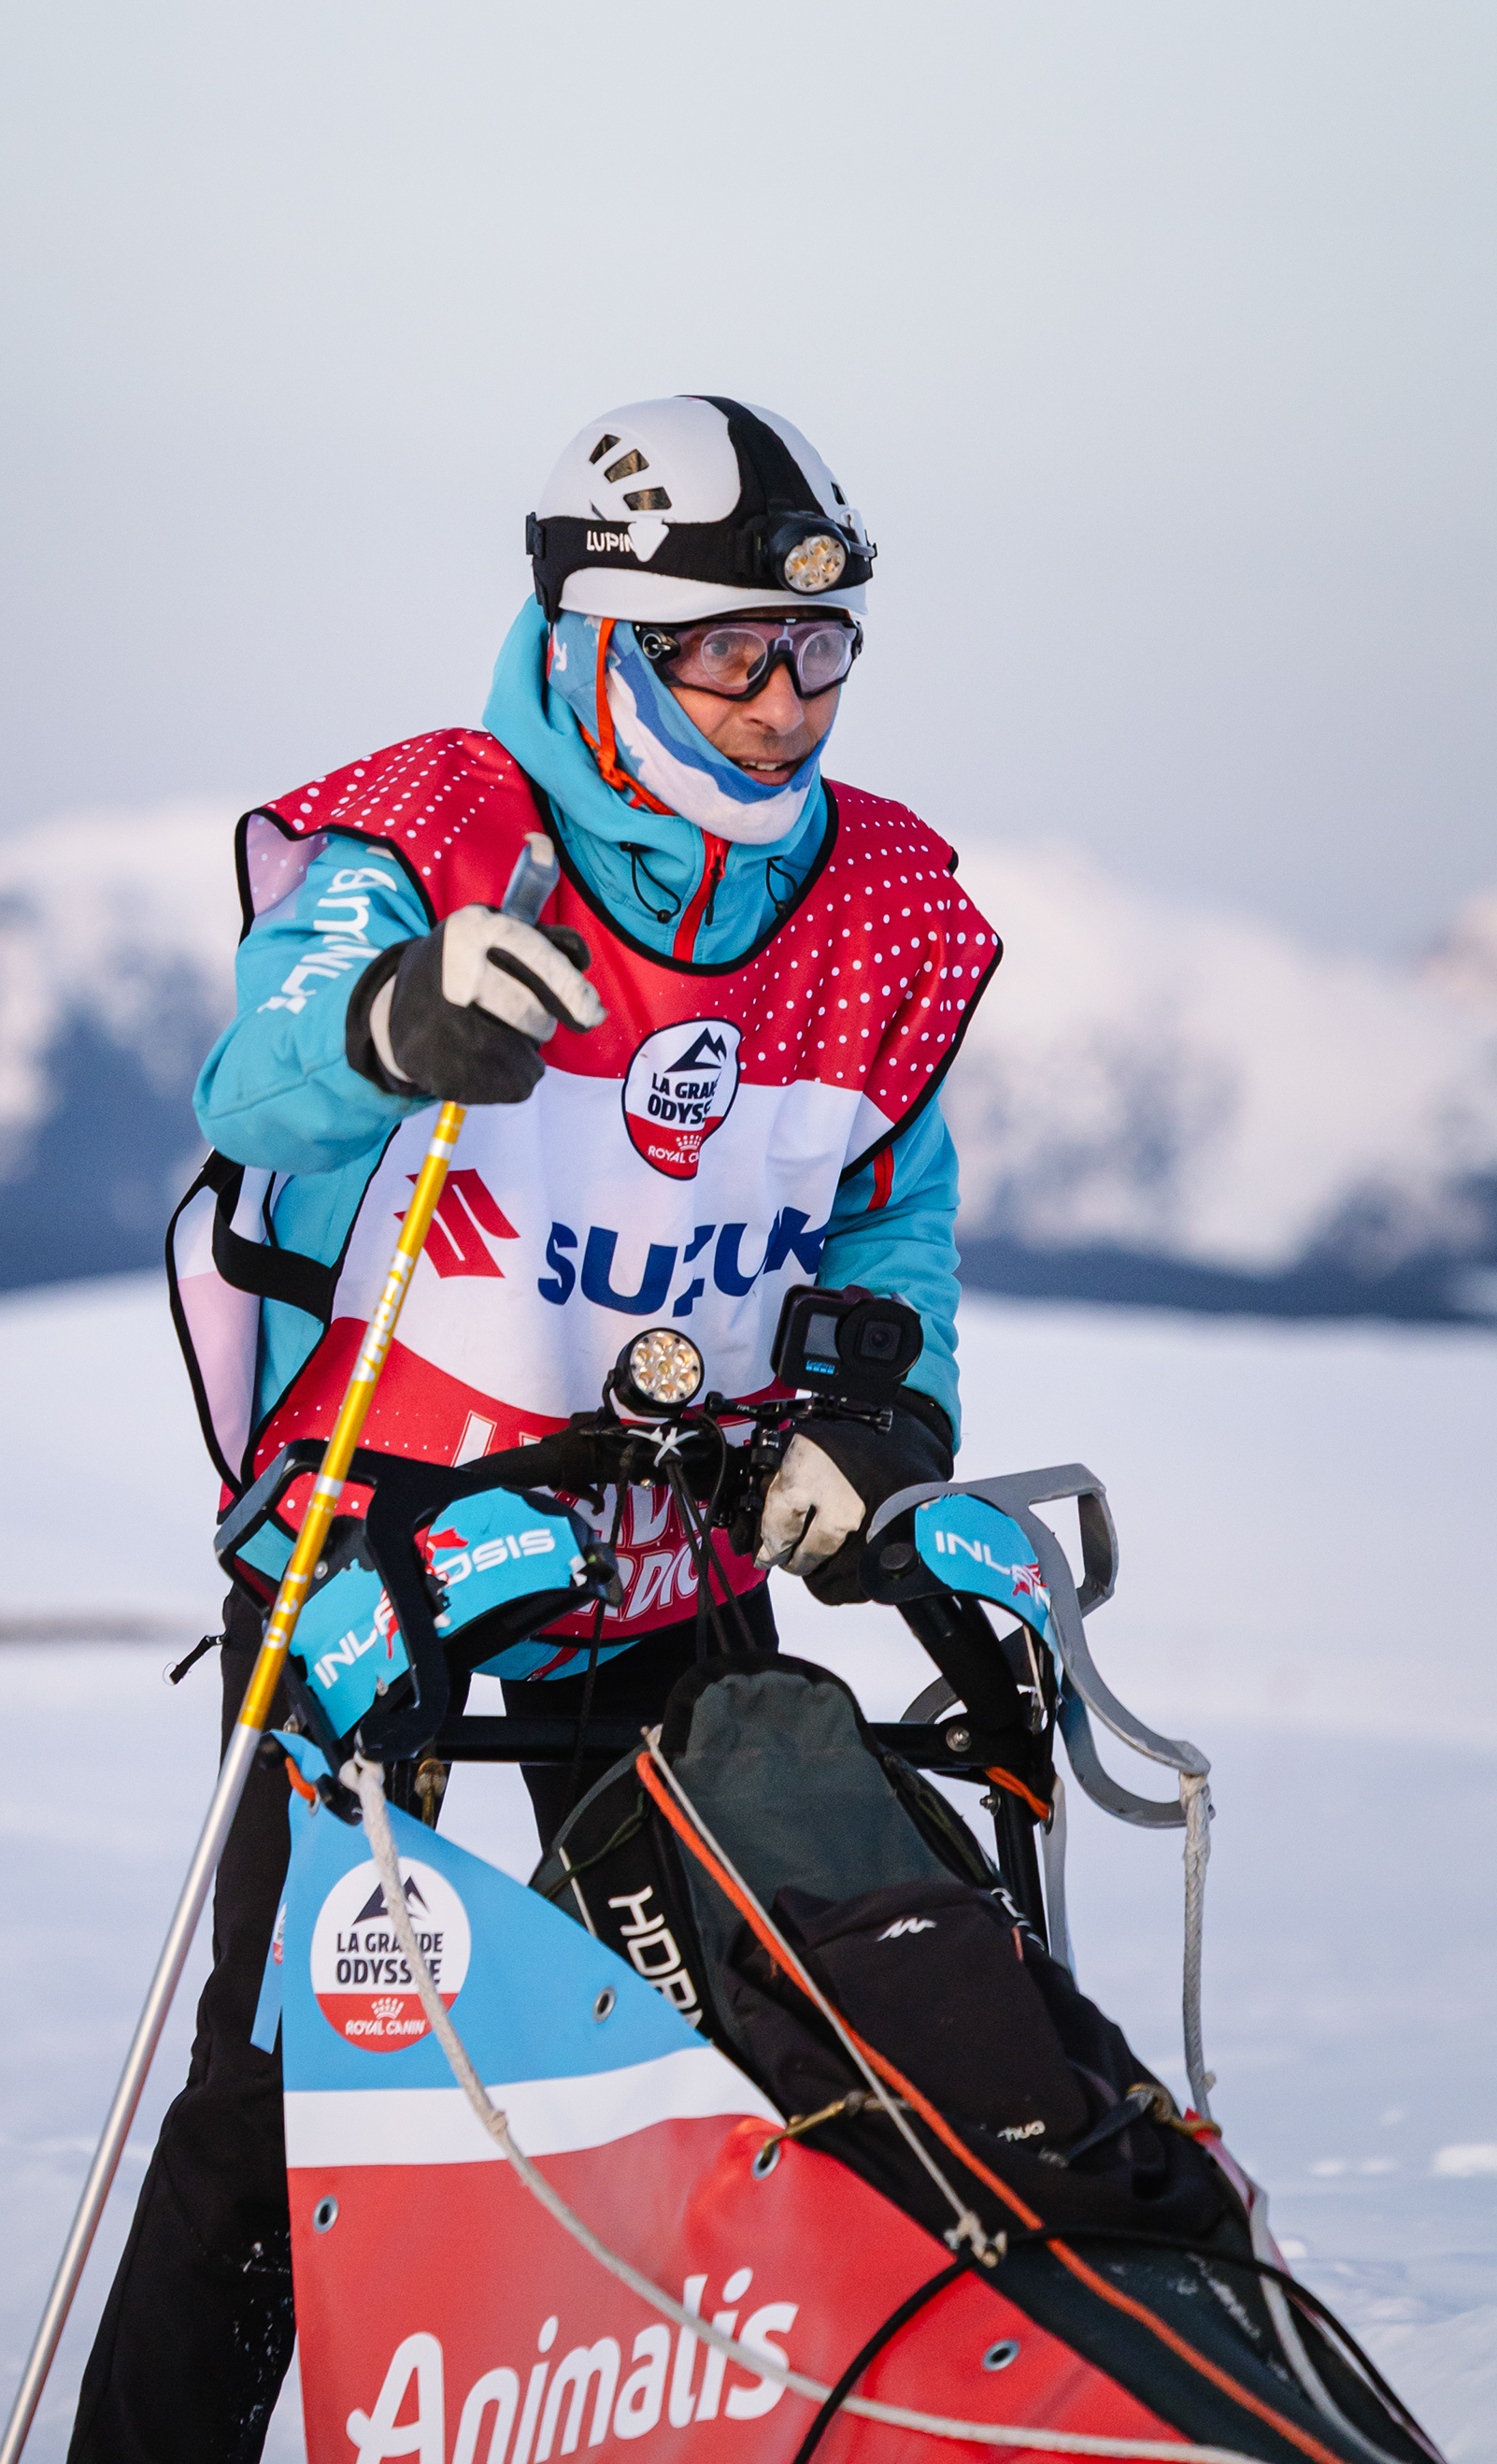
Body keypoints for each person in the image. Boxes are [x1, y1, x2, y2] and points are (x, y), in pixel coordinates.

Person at [68, 394, 1000, 2462]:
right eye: (731, 652)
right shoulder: (430, 826)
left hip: (678, 1538)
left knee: (741, 2042)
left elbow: (889, 1212)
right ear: (597, 638)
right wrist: (397, 1017)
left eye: (821, 650)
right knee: (288, 2073)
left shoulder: (890, 903)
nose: (785, 703)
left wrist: (884, 1412)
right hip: (382, 1542)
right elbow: (258, 1085)